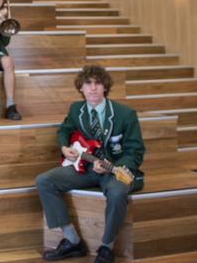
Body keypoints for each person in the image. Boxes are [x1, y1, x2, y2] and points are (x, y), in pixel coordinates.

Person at [35, 65, 145, 263]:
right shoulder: (76, 109)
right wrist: (63, 147)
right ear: (81, 88)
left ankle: (106, 248)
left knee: (118, 192)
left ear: (105, 87)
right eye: (88, 83)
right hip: (85, 168)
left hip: (114, 171)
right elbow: (64, 131)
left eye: (98, 83)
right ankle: (72, 241)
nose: (93, 88)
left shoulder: (126, 114)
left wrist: (114, 166)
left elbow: (136, 151)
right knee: (44, 181)